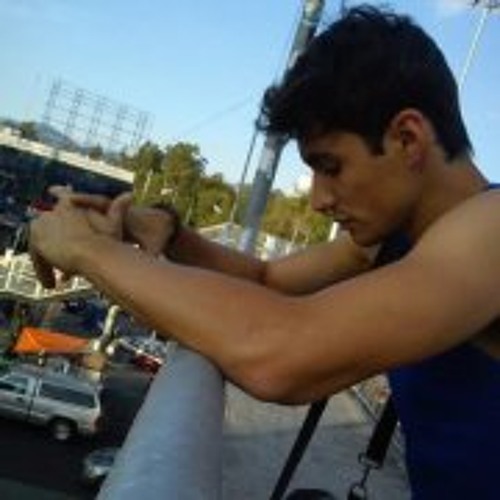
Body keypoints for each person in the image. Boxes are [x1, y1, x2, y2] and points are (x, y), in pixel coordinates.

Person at [28, 5, 500, 499]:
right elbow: (267, 279)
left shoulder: (492, 231)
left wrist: (84, 249)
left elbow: (282, 353)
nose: (318, 199)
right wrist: (167, 231)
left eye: (331, 167)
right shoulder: (399, 242)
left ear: (408, 138)